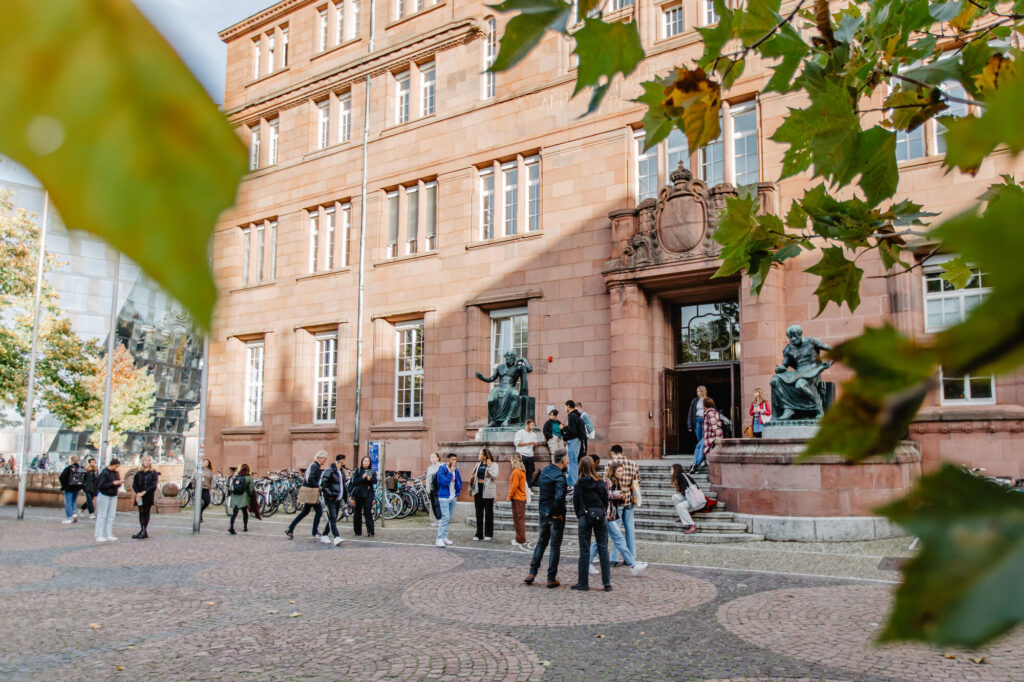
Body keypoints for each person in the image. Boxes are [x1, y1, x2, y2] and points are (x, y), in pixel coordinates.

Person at [588, 462, 647, 576]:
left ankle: (587, 563)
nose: (622, 473)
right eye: (619, 471)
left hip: (610, 514)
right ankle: (633, 565)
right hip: (607, 515)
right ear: (613, 472)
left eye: (622, 471)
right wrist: (616, 495)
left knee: (600, 540)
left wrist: (619, 497)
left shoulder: (617, 482)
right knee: (618, 538)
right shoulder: (607, 481)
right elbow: (603, 496)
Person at [525, 450, 567, 588]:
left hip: (543, 512)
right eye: (567, 459)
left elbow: (541, 489)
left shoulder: (545, 471)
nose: (568, 461)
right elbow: (559, 497)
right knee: (554, 546)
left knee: (541, 542)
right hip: (555, 516)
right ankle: (551, 577)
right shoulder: (560, 476)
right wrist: (556, 512)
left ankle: (532, 572)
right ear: (563, 460)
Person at [572, 456, 611, 591]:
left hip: (585, 516)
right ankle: (607, 583)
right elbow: (605, 500)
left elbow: (575, 503)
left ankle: (583, 583)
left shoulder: (579, 484)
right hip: (600, 517)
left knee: (584, 550)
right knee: (603, 549)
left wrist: (581, 515)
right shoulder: (600, 482)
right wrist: (602, 512)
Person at [605, 445, 640, 566]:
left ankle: (614, 558)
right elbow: (637, 482)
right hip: (629, 499)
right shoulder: (633, 464)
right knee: (630, 529)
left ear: (612, 452)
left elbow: (606, 482)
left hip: (616, 502)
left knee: (616, 530)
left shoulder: (610, 464)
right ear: (622, 451)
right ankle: (631, 557)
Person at [286, 452, 328, 539]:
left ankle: (290, 528)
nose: (325, 460)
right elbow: (310, 478)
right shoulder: (315, 467)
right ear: (319, 458)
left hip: (309, 491)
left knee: (305, 511)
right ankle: (314, 531)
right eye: (324, 458)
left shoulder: (313, 465)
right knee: (319, 511)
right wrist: (318, 487)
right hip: (312, 492)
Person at [318, 454, 347, 546]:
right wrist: (330, 494)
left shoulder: (341, 472)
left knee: (332, 518)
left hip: (338, 498)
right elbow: (323, 484)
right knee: (333, 518)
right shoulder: (330, 470)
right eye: (344, 460)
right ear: (341, 461)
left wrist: (346, 499)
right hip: (330, 498)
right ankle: (336, 537)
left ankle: (324, 535)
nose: (345, 462)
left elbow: (343, 487)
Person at [690, 397, 724, 474]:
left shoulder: (710, 413)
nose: (702, 405)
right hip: (707, 435)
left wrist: (711, 437)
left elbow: (714, 426)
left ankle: (695, 466)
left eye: (703, 404)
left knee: (703, 450)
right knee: (698, 446)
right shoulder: (709, 412)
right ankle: (694, 463)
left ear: (705, 405)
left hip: (711, 436)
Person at [435, 452, 462, 548]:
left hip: (453, 497)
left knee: (448, 518)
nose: (454, 461)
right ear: (448, 460)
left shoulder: (456, 470)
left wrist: (457, 493)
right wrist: (450, 472)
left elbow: (458, 481)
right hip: (444, 497)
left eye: (455, 460)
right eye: (452, 460)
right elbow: (444, 483)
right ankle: (439, 538)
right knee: (445, 517)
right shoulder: (442, 469)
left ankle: (444, 536)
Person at [472, 448, 498, 541]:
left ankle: (488, 534)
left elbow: (495, 476)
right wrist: (471, 489)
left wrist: (490, 467)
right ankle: (478, 534)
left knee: (488, 513)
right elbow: (473, 476)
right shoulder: (478, 464)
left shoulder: (494, 464)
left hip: (488, 491)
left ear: (485, 455)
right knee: (478, 513)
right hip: (478, 490)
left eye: (480, 454)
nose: (479, 455)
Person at [94, 458, 123, 542]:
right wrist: (112, 483)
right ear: (111, 465)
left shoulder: (116, 473)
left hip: (113, 495)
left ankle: (108, 533)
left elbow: (116, 484)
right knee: (102, 515)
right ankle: (99, 534)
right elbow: (100, 485)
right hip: (104, 495)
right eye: (115, 466)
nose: (116, 468)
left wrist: (118, 483)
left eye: (117, 466)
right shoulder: (104, 473)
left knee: (111, 515)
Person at [131, 455, 159, 539]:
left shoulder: (153, 472)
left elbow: (154, 485)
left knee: (146, 511)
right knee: (141, 511)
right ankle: (143, 530)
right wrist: (138, 493)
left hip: (148, 495)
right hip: (139, 496)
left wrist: (144, 492)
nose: (147, 462)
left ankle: (143, 530)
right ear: (142, 461)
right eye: (145, 460)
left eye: (148, 460)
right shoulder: (139, 472)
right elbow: (134, 484)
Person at [350, 455, 377, 537]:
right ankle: (357, 531)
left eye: (368, 461)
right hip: (359, 494)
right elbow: (354, 482)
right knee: (357, 512)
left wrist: (370, 479)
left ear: (370, 463)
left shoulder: (371, 471)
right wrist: (362, 478)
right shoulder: (358, 470)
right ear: (362, 462)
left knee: (367, 511)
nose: (366, 462)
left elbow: (375, 481)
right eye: (365, 461)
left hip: (368, 494)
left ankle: (370, 531)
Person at [670, 463, 701, 534]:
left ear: (675, 470)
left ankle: (692, 526)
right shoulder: (680, 477)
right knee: (675, 497)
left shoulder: (682, 476)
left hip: (695, 500)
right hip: (690, 498)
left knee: (680, 506)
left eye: (671, 469)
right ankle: (683, 516)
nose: (670, 471)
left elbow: (686, 490)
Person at [563, 400, 587, 487]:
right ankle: (570, 483)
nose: (565, 408)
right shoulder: (576, 415)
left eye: (565, 406)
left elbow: (572, 431)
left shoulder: (571, 416)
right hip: (577, 440)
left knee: (572, 462)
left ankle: (572, 484)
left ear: (568, 406)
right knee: (572, 462)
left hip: (573, 441)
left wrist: (563, 429)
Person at [227, 462, 254, 535]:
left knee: (234, 513)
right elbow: (251, 490)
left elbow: (231, 487)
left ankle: (231, 526)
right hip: (244, 498)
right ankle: (245, 527)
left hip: (235, 497)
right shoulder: (249, 478)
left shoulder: (235, 477)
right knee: (245, 512)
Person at [513, 419, 542, 487]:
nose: (533, 427)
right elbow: (517, 443)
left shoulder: (534, 434)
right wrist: (528, 443)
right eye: (532, 425)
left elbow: (534, 447)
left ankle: (528, 488)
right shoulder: (520, 432)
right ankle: (522, 489)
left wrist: (535, 445)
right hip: (522, 455)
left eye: (533, 425)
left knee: (530, 473)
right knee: (522, 473)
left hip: (530, 455)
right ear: (527, 425)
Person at [508, 453, 528, 547]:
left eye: (511, 460)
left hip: (517, 498)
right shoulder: (522, 471)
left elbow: (514, 486)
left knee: (518, 519)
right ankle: (520, 537)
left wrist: (509, 496)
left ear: (514, 460)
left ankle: (520, 539)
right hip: (521, 498)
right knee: (520, 519)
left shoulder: (516, 471)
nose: (510, 461)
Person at [58, 455, 85, 524]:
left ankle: (68, 517)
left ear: (71, 460)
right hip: (77, 486)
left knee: (68, 502)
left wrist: (64, 485)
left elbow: (62, 477)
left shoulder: (69, 468)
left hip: (69, 487)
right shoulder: (81, 468)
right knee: (74, 501)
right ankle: (74, 513)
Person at [687, 385, 708, 459]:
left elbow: (712, 410)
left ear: (703, 392)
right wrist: (689, 425)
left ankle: (701, 458)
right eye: (697, 391)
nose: (697, 393)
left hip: (705, 421)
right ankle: (703, 458)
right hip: (697, 420)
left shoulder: (707, 400)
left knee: (704, 439)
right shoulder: (694, 400)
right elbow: (690, 412)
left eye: (699, 391)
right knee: (699, 440)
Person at [426, 452, 442, 526]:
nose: (432, 459)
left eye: (434, 457)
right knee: (433, 505)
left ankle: (440, 520)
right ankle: (437, 519)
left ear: (438, 458)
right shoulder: (430, 467)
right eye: (431, 457)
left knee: (437, 504)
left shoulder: (441, 466)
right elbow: (427, 479)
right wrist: (428, 489)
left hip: (438, 489)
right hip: (431, 489)